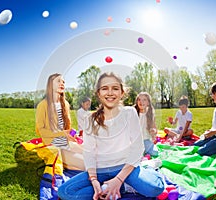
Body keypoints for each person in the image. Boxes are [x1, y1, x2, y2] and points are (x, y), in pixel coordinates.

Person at [58, 72, 164, 200]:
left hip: (126, 167)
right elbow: (89, 152)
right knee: (65, 192)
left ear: (122, 93)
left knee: (154, 189)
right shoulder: (90, 119)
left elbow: (137, 148)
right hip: (100, 170)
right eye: (104, 88)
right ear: (98, 93)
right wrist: (94, 181)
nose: (110, 93)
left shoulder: (129, 113)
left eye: (115, 88)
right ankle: (121, 188)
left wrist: (118, 179)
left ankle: (147, 167)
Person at [35, 73, 85, 171]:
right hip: (54, 147)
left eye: (63, 82)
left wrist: (71, 135)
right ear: (50, 85)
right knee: (87, 164)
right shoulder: (43, 105)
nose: (62, 84)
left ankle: (66, 163)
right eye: (58, 81)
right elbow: (41, 132)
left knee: (94, 154)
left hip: (66, 144)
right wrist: (63, 133)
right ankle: (62, 163)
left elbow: (67, 128)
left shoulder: (65, 104)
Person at [134, 92, 158, 156]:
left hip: (146, 140)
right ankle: (141, 150)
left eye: (144, 100)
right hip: (136, 141)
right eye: (139, 99)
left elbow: (155, 128)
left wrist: (154, 131)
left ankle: (144, 150)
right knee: (137, 154)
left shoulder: (150, 114)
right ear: (137, 102)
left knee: (155, 153)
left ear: (148, 103)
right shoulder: (134, 113)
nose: (141, 101)